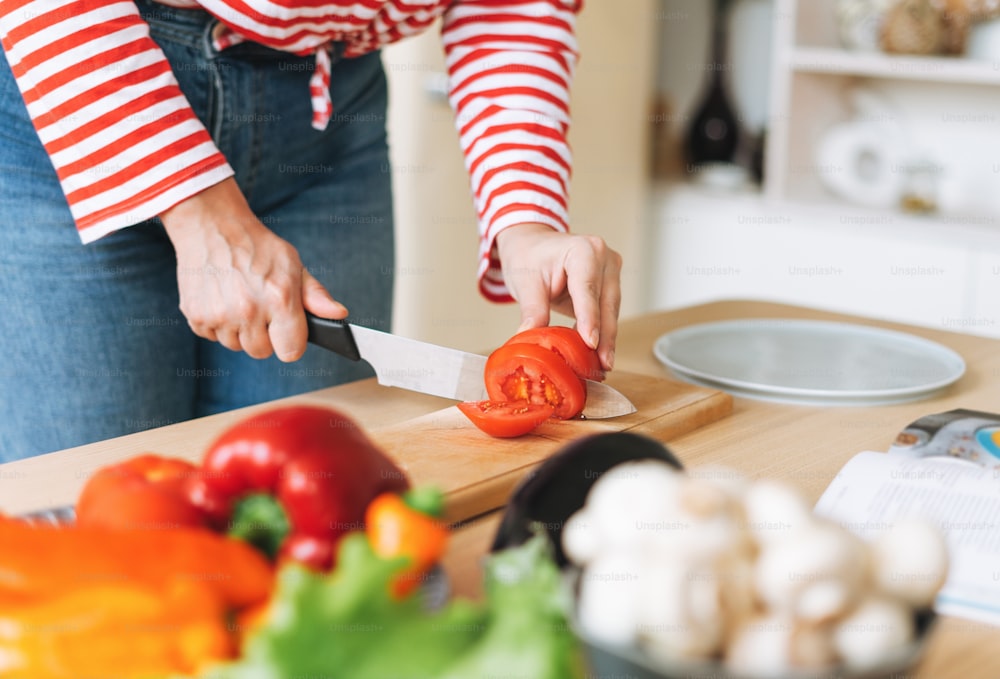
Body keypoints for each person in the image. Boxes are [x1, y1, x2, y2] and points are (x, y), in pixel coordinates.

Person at [0, 0, 622, 461]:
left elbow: (512, 8)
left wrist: (526, 215)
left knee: (314, 483)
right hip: (86, 84)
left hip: (330, 112)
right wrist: (199, 211)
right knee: (91, 498)